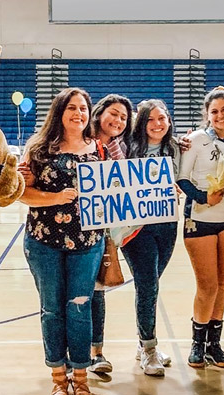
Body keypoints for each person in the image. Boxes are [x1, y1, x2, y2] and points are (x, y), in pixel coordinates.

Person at [20, 88, 103, 395]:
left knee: (80, 309)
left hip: (88, 242)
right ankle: (58, 377)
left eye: (83, 108)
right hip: (44, 242)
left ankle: (81, 376)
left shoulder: (100, 149)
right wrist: (55, 198)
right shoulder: (39, 149)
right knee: (52, 310)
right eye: (72, 107)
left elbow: (129, 181)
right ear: (59, 111)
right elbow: (22, 193)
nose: (79, 113)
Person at [177, 87, 224, 368]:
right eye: (214, 111)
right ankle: (197, 342)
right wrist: (204, 197)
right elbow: (182, 179)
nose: (220, 115)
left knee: (223, 281)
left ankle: (215, 344)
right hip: (201, 219)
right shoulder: (194, 140)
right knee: (206, 285)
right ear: (207, 114)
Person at [122, 99, 180, 376]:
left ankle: (142, 340)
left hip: (167, 225)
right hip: (136, 228)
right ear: (141, 123)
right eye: (151, 119)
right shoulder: (127, 149)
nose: (158, 124)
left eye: (163, 118)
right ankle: (149, 348)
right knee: (147, 286)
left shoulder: (176, 148)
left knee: (151, 283)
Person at [87, 94, 133, 375]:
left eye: (123, 118)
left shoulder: (120, 148)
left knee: (97, 292)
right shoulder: (79, 141)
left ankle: (97, 352)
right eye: (113, 114)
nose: (117, 121)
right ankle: (70, 356)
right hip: (70, 228)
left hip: (102, 232)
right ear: (99, 113)